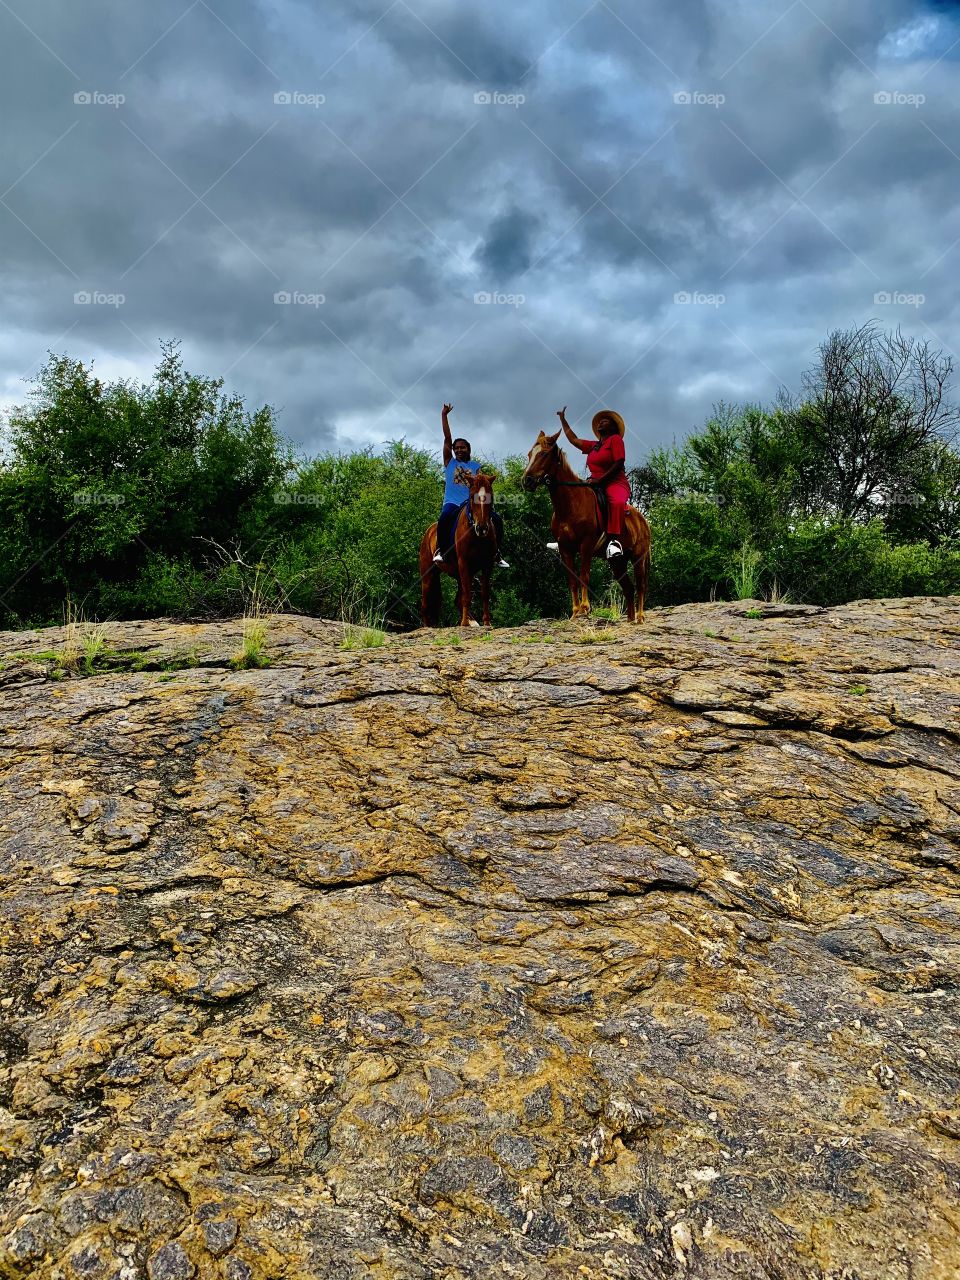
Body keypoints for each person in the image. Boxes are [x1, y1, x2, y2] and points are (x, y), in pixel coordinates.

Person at [433, 403, 508, 566]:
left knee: (497, 520)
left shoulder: (475, 466)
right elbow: (447, 439)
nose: (459, 450)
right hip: (452, 503)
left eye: (463, 447)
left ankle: (496, 554)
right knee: (444, 518)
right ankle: (441, 551)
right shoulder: (450, 462)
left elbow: (482, 486)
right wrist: (444, 416)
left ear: (468, 449)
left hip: (471, 503)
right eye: (456, 448)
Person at [556, 406, 631, 558]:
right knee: (574, 499)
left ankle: (614, 542)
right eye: (600, 421)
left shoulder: (615, 440)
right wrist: (563, 420)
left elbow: (619, 463)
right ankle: (564, 537)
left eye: (605, 421)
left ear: (613, 428)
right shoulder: (593, 446)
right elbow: (573, 440)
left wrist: (601, 480)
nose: (601, 422)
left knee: (616, 502)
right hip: (594, 482)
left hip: (615, 482)